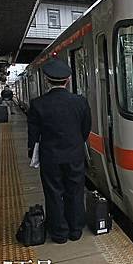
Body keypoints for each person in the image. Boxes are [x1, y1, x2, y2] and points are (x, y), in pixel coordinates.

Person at [27, 58, 91, 244]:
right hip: (74, 155)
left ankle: (59, 233)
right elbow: (85, 129)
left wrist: (33, 154)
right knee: (75, 191)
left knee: (53, 193)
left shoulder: (38, 103)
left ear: (47, 80)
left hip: (50, 157)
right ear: (68, 80)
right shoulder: (80, 102)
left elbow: (34, 135)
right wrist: (76, 144)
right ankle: (75, 230)